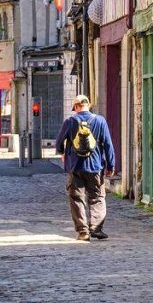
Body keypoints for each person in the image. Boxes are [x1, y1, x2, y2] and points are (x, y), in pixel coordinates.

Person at [56, 93, 116, 241]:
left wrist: (62, 152)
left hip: (75, 167)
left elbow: (58, 143)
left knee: (77, 198)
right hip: (95, 167)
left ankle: (83, 232)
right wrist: (111, 165)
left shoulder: (70, 121)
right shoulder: (100, 121)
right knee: (97, 197)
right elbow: (108, 145)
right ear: (88, 106)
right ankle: (96, 228)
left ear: (76, 107)